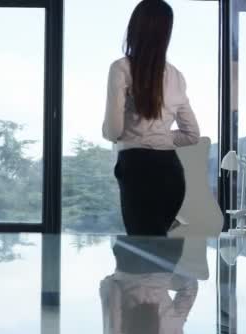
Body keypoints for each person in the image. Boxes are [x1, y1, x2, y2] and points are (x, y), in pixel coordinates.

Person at [102, 0, 200, 236]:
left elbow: (113, 131)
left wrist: (132, 136)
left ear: (134, 28)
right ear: (166, 33)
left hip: (137, 168)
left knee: (143, 257)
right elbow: (192, 135)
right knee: (157, 255)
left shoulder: (121, 68)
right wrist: (161, 137)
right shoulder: (176, 75)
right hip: (171, 171)